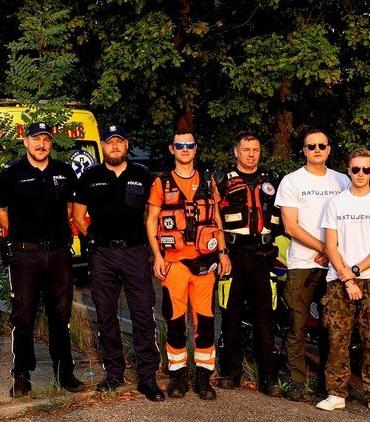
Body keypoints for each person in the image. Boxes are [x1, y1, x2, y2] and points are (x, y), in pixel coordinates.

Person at [73, 124, 165, 401]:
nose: (114, 146)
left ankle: (147, 377)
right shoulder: (90, 176)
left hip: (135, 252)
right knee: (105, 314)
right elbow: (78, 216)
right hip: (102, 254)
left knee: (143, 314)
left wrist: (154, 250)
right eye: (109, 142)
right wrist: (93, 239)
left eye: (119, 141)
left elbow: (153, 215)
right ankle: (114, 373)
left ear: (126, 145)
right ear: (102, 146)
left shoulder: (142, 174)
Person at [0, 122, 84, 397]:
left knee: (61, 316)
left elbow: (71, 207)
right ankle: (21, 375)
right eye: (36, 139)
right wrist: (19, 232)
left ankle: (64, 373)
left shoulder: (64, 171)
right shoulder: (12, 173)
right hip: (25, 256)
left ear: (51, 143)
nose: (41, 145)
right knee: (23, 317)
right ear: (26, 142)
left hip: (58, 254)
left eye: (46, 140)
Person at [146, 130, 231, 399]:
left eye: (189, 145)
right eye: (180, 145)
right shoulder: (162, 182)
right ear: (172, 149)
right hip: (174, 263)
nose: (185, 149)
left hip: (206, 262)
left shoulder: (208, 181)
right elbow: (151, 220)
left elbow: (216, 218)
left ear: (195, 148)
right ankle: (179, 376)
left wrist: (223, 252)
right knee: (175, 321)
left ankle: (203, 377)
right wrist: (158, 256)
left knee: (205, 321)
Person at [316, 148, 370, 414]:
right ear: (348, 170)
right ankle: (336, 392)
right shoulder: (336, 203)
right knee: (337, 337)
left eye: (366, 169)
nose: (360, 174)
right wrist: (346, 277)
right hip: (338, 279)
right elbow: (330, 245)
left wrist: (356, 270)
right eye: (355, 169)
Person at [276, 130, 349, 401]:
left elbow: (348, 223)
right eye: (311, 146)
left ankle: (328, 384)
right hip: (302, 263)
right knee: (297, 326)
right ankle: (297, 381)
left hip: (334, 265)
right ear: (304, 150)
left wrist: (333, 253)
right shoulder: (292, 180)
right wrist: (324, 248)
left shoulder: (343, 180)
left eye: (321, 145)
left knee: (332, 328)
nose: (316, 149)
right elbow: (290, 226)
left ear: (329, 149)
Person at [212, 132, 285, 393]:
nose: (251, 154)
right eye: (246, 149)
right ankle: (230, 372)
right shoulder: (222, 180)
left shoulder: (273, 180)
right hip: (233, 254)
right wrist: (222, 252)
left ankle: (267, 377)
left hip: (264, 255)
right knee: (230, 315)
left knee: (265, 318)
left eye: (255, 150)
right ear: (236, 151)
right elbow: (213, 219)